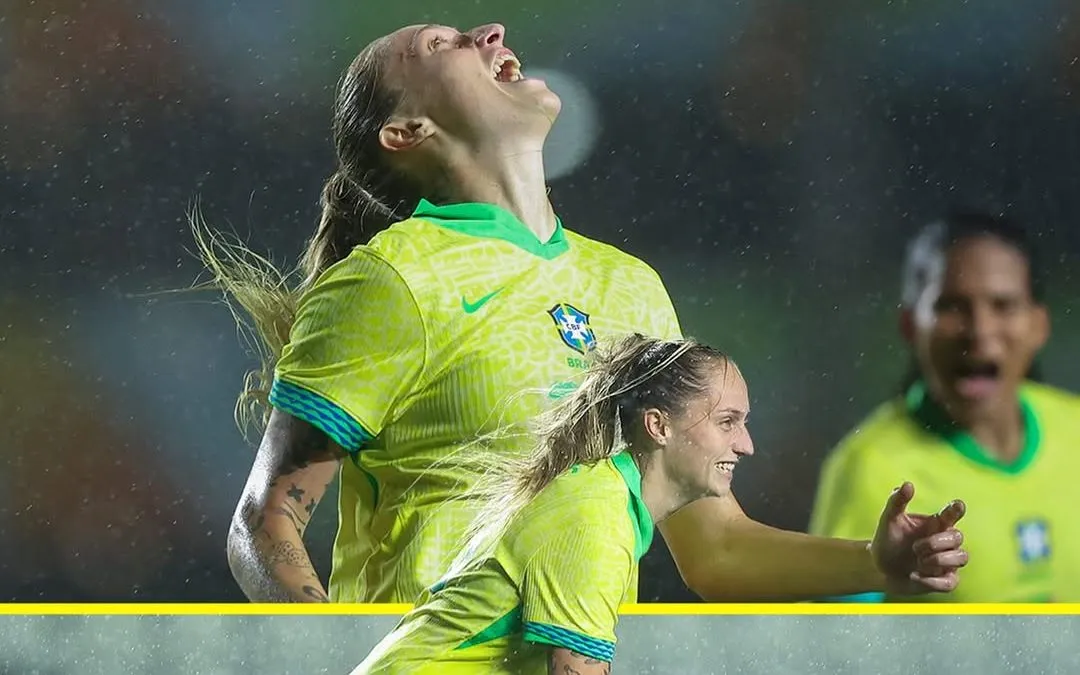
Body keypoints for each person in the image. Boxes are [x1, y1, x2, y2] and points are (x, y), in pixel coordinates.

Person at [197, 22, 967, 605]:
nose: (488, 33)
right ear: (407, 132)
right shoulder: (391, 280)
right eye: (442, 44)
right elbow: (264, 522)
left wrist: (873, 559)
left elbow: (716, 547)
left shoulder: (633, 288)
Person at [353, 334, 968, 674]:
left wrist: (875, 562)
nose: (746, 445)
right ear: (658, 426)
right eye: (728, 422)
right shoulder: (594, 517)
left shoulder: (604, 502)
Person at [810, 211, 1080, 602]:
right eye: (951, 306)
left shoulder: (1074, 428)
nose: (980, 331)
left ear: (1039, 324)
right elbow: (834, 645)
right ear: (909, 326)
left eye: (1003, 305)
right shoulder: (869, 467)